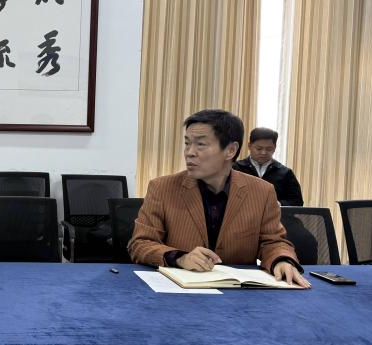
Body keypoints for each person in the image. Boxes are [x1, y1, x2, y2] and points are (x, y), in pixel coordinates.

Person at [128, 109, 309, 287]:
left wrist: (281, 260)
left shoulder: (262, 191)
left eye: (201, 144)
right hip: (180, 291)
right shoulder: (162, 188)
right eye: (187, 143)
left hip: (240, 295)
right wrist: (180, 258)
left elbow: (273, 242)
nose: (189, 152)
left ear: (230, 150)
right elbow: (140, 244)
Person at [233, 127, 304, 206]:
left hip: (274, 213)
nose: (263, 153)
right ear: (249, 146)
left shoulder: (285, 173)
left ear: (275, 148)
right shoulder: (236, 169)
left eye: (269, 149)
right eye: (259, 149)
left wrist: (277, 204)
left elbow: (297, 202)